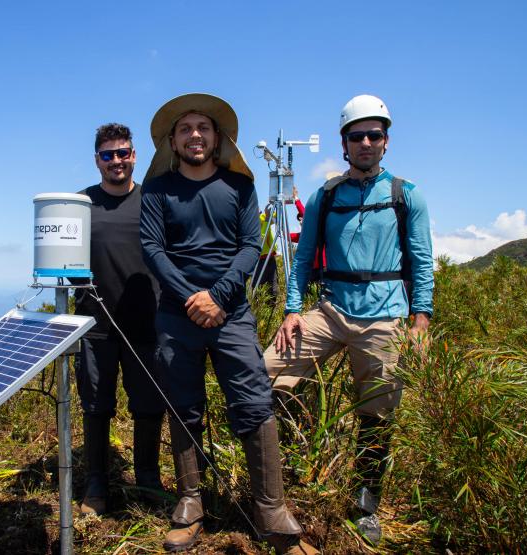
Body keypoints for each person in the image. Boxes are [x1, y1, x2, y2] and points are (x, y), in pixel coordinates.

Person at [141, 93, 311, 554]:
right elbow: (153, 250)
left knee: (254, 402)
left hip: (231, 314)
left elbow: (250, 247)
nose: (195, 135)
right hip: (177, 318)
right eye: (185, 129)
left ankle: (271, 510)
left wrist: (217, 297)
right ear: (173, 142)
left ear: (217, 138)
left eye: (203, 127)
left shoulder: (239, 187)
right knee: (183, 406)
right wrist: (191, 297)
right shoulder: (157, 191)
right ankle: (190, 503)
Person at [265, 94, 434, 545]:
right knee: (263, 374)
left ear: (386, 142)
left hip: (386, 319)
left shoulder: (406, 195)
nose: (365, 142)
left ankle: (366, 506)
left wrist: (420, 321)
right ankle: (278, 481)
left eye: (373, 135)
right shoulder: (327, 195)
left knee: (378, 417)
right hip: (331, 312)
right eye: (356, 135)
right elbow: (302, 259)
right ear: (344, 143)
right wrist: (291, 310)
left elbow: (421, 260)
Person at [73, 123, 165, 516]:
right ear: (97, 160)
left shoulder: (153, 201)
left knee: (148, 406)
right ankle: (97, 481)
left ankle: (147, 477)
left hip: (148, 322)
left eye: (123, 152)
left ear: (134, 156)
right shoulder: (78, 204)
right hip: (94, 326)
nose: (117, 161)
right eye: (108, 154)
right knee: (96, 406)